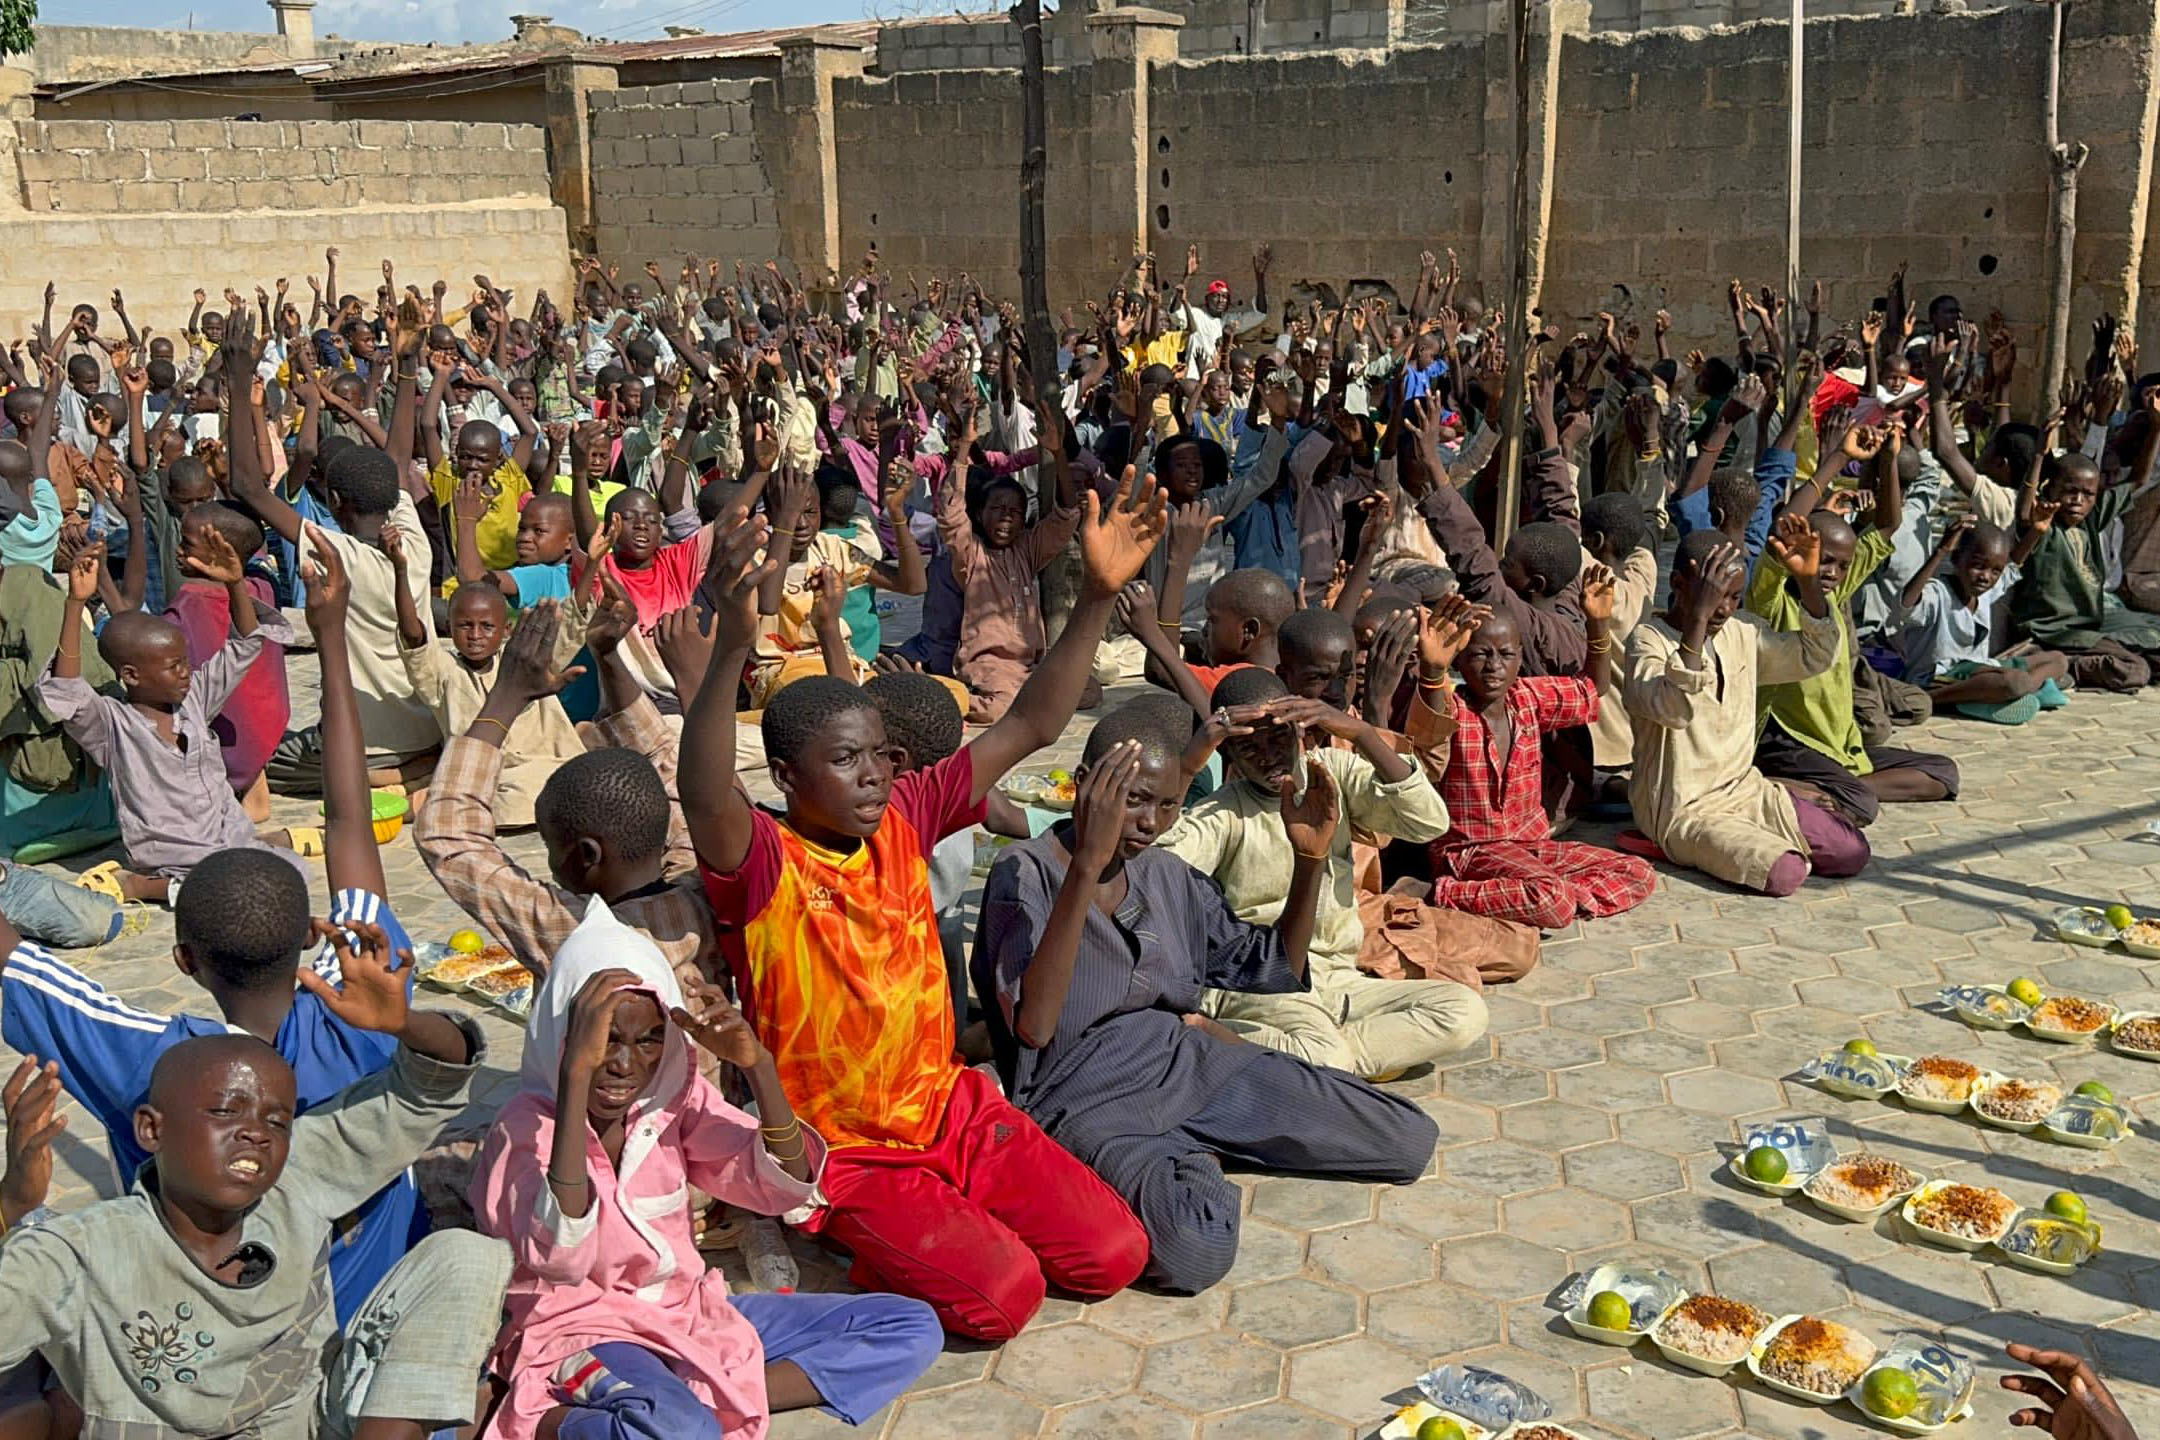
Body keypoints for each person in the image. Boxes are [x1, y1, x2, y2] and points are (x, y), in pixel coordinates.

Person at [684, 473, 1168, 1341]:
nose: (872, 776)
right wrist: (730, 646)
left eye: (878, 755)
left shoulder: (907, 810)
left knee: (1113, 1255)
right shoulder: (759, 861)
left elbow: (1030, 725)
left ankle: (947, 1212)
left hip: (946, 1106)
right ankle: (857, 1235)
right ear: (788, 777)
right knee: (1003, 1298)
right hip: (848, 1151)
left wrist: (1095, 599)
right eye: (845, 761)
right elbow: (702, 788)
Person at [1, 529, 432, 1326]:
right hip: (381, 1309)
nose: (181, 673)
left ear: (186, 963)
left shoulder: (160, 1069)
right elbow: (348, 827)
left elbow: (20, 968)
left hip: (241, 1342)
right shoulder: (369, 1010)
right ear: (313, 933)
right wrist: (330, 636)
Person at [973, 702, 1438, 1294]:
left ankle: (1200, 1138)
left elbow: (1272, 966)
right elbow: (1036, 1028)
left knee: (1406, 1140)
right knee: (1195, 1250)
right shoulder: (1026, 872)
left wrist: (1311, 858)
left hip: (1186, 1062)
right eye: (1133, 799)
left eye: (1167, 805)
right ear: (1086, 787)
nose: (1149, 822)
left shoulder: (1166, 874)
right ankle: (1187, 1157)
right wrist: (1085, 867)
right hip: (1087, 1099)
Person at [0, 918, 510, 1440]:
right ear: (151, 1130)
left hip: (315, 1423)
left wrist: (405, 1023)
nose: (255, 1135)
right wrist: (14, 1203)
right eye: (225, 1112)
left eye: (276, 1120)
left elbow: (426, 1088)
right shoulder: (85, 1250)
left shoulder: (295, 1179)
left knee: (464, 1256)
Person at [471, 898, 942, 1440]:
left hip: (683, 1314)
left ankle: (700, 1401)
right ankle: (545, 1422)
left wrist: (758, 1067)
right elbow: (559, 1259)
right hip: (582, 1333)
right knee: (675, 1430)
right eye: (602, 1040)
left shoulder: (670, 1105)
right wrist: (575, 1078)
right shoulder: (523, 1131)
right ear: (565, 1037)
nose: (623, 1064)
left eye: (647, 1039)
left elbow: (776, 1188)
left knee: (907, 1325)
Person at [1158, 666, 1487, 1079]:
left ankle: (1327, 1065)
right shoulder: (1225, 812)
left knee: (1465, 1010)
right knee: (1325, 1055)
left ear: (1300, 731)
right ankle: (1311, 1058)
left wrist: (1362, 733)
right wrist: (1189, 764)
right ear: (1230, 756)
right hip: (1264, 990)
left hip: (1340, 979)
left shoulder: (1330, 773)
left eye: (1277, 737)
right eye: (1249, 748)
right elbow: (1159, 867)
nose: (1268, 755)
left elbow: (1428, 822)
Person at [414, 591, 719, 987]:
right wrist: (608, 656)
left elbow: (448, 838)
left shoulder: (571, 931)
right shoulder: (702, 894)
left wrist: (505, 696)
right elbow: (668, 766)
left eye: (552, 848)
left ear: (587, 855)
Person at [40, 535, 309, 906]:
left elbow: (244, 647)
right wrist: (75, 603)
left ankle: (264, 845)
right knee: (224, 895)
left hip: (227, 838)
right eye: (173, 666)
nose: (186, 672)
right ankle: (139, 885)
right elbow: (66, 690)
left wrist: (234, 584)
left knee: (287, 876)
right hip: (173, 859)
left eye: (185, 661)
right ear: (131, 675)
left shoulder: (193, 700)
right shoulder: (114, 726)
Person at [1624, 528, 1869, 896]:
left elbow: (1813, 656)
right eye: (1714, 598)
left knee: (1851, 851)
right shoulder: (1648, 642)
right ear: (1677, 584)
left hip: (1745, 790)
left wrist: (1807, 582)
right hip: (1685, 809)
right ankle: (1694, 846)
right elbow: (1673, 710)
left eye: (1734, 597)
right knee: (1784, 872)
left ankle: (1752, 836)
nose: (1723, 609)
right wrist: (1697, 622)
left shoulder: (1742, 632)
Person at [1747, 426, 1958, 826]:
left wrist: (1889, 461)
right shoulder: (1771, 596)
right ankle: (1771, 784)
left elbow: (1886, 527)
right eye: (1823, 559)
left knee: (1943, 773)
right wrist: (1838, 459)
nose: (1832, 572)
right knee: (1861, 805)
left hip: (1839, 743)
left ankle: (1834, 787)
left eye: (1843, 566)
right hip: (1788, 740)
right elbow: (1788, 522)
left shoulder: (1836, 594)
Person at [1427, 574, 1656, 929]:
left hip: (1531, 846)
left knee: (1638, 872)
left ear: (1520, 657)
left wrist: (1598, 622)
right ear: (1459, 661)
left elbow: (1592, 688)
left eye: (1505, 655)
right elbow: (1428, 714)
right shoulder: (1452, 711)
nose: (1493, 667)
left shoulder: (1527, 699)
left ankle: (1533, 896)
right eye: (1480, 655)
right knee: (1553, 900)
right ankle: (1440, 893)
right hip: (1470, 854)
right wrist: (1433, 668)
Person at [388, 527, 585, 827]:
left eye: (486, 626)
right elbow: (413, 635)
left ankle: (426, 794)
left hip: (549, 764)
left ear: (506, 630)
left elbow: (571, 623)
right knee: (510, 800)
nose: (475, 635)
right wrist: (400, 572)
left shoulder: (523, 660)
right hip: (491, 778)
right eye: (465, 626)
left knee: (581, 780)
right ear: (450, 629)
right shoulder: (444, 673)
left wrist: (592, 564)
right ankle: (423, 798)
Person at [938, 404, 1080, 724]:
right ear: (979, 515)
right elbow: (950, 514)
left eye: (1014, 512)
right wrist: (963, 449)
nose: (1005, 517)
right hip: (989, 667)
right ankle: (949, 695)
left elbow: (1067, 516)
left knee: (1084, 694)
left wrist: (1058, 455)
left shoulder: (1026, 550)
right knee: (1000, 711)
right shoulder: (971, 555)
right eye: (997, 509)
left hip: (1029, 668)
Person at [2009, 411, 2160, 690]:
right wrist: (2040, 456)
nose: (2078, 501)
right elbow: (2024, 511)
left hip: (2087, 630)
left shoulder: (2091, 519)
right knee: (2134, 671)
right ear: (2049, 489)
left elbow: (2138, 481)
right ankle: (2061, 664)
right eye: (2069, 491)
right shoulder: (2044, 526)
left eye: (2087, 494)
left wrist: (2156, 428)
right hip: (2052, 631)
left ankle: (2059, 665)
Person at [160, 502, 289, 814]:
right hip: (269, 732)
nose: (178, 551)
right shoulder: (260, 589)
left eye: (186, 544)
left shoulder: (186, 607)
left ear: (221, 552)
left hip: (228, 751)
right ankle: (256, 780)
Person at [1894, 512, 2070, 725]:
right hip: (1940, 678)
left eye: (1995, 571)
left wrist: (2036, 531)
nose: (1986, 577)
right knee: (2016, 682)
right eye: (1978, 566)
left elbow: (2012, 566)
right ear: (1957, 559)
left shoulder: (1984, 592)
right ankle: (1929, 701)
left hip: (1981, 670)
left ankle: (1992, 697)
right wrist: (1940, 551)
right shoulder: (1937, 593)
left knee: (2058, 659)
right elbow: (1906, 605)